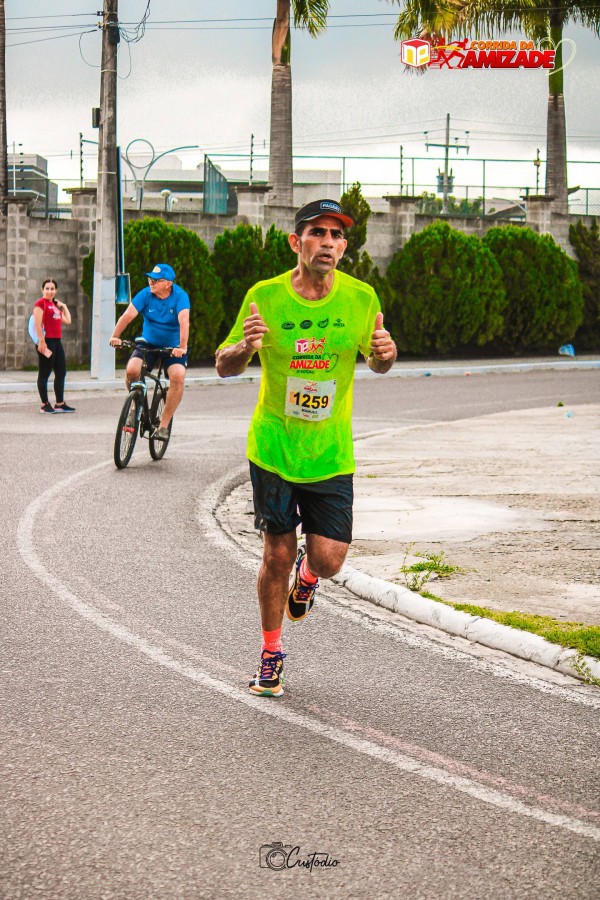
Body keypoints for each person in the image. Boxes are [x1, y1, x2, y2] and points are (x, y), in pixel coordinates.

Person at [216, 199, 397, 697]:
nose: (329, 243)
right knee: (277, 552)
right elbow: (224, 364)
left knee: (331, 556)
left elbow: (376, 359)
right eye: (318, 233)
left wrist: (386, 354)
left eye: (337, 236)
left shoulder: (360, 299)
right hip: (275, 446)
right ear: (297, 242)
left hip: (330, 451)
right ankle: (271, 654)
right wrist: (243, 348)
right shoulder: (265, 296)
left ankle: (310, 578)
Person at [109, 263, 190, 440]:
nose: (151, 282)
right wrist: (115, 336)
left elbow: (184, 321)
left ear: (168, 283)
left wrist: (182, 347)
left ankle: (163, 425)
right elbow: (127, 316)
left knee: (178, 376)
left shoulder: (180, 296)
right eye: (149, 279)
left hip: (173, 347)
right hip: (148, 343)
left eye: (155, 280)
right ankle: (134, 408)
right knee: (132, 370)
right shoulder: (145, 294)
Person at [32, 278, 76, 414]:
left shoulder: (54, 306)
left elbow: (68, 321)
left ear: (56, 290)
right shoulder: (40, 304)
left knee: (61, 372)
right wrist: (41, 341)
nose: (50, 291)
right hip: (47, 341)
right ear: (42, 289)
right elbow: (37, 324)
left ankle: (60, 403)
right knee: (44, 373)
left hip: (57, 342)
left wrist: (64, 306)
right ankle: (44, 404)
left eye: (52, 289)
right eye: (47, 288)